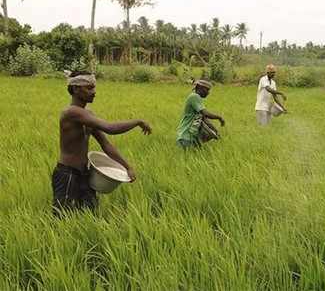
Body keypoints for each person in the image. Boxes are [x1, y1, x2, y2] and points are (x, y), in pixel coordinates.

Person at [52, 71, 152, 216]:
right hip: (67, 174)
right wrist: (138, 121)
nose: (94, 92)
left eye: (94, 87)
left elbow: (105, 144)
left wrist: (127, 167)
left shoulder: (87, 115)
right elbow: (110, 128)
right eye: (89, 88)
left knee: (89, 214)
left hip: (84, 173)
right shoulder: (71, 113)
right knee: (62, 218)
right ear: (75, 89)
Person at [176, 79, 225, 149]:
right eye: (207, 90)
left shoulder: (197, 99)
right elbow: (205, 113)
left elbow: (204, 119)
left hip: (192, 137)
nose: (208, 93)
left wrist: (215, 132)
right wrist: (219, 118)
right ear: (199, 88)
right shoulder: (194, 97)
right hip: (186, 136)